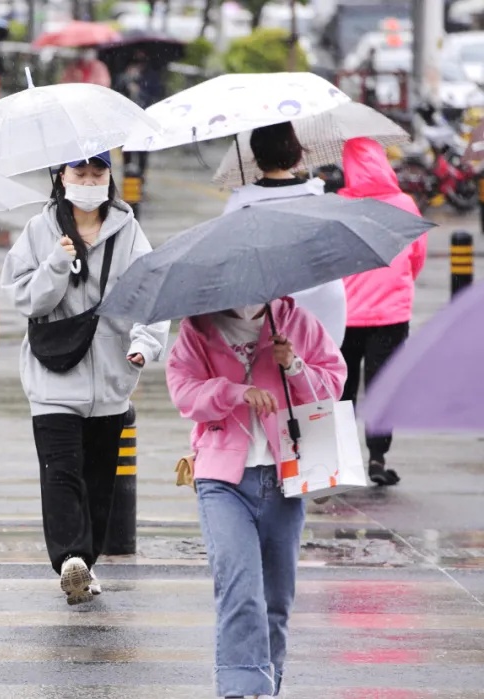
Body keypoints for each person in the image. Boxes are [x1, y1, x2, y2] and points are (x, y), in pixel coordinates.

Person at [0, 152, 169, 605]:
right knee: (61, 471)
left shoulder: (129, 231)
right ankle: (70, 557)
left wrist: (146, 344)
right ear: (61, 175)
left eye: (98, 173)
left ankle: (85, 565)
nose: (90, 181)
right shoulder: (40, 230)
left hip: (112, 376)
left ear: (110, 177)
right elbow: (26, 301)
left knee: (98, 479)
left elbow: (151, 294)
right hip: (53, 372)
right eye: (80, 173)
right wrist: (56, 262)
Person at [166, 299, 347, 699]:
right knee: (240, 589)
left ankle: (267, 686)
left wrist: (295, 367)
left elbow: (332, 385)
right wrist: (234, 392)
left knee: (276, 600)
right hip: (222, 480)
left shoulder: (296, 321)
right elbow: (183, 392)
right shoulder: (199, 329)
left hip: (286, 477)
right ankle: (239, 688)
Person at [338, 137, 428, 487]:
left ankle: (343, 460)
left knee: (342, 389)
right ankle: (377, 457)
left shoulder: (340, 206)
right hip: (391, 314)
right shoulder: (405, 204)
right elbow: (417, 256)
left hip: (345, 314)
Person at [223, 122, 348, 349]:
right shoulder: (318, 198)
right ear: (296, 152)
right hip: (324, 308)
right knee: (316, 376)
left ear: (256, 155)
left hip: (264, 311)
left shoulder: (240, 204)